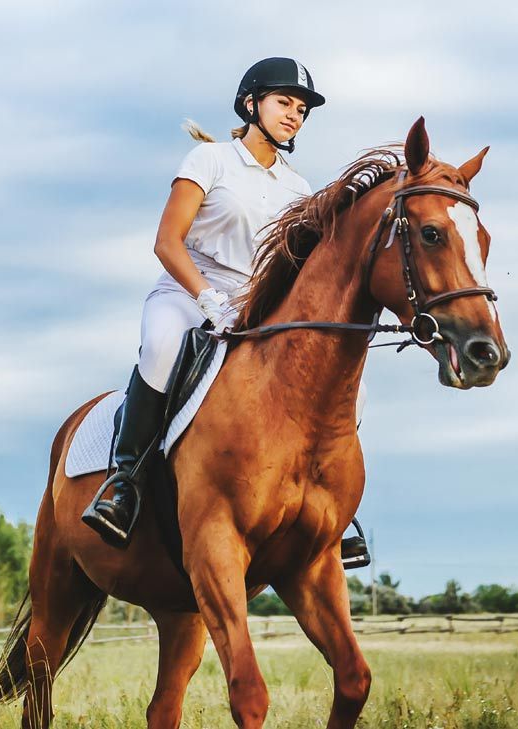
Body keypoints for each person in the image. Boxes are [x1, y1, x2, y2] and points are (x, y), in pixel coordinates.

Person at [82, 57, 326, 547]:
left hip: (256, 304)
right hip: (188, 289)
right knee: (163, 347)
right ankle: (125, 481)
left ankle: (323, 496)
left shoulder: (300, 189)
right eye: (284, 103)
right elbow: (167, 241)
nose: (294, 115)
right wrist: (208, 298)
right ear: (251, 103)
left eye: (301, 108)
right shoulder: (209, 161)